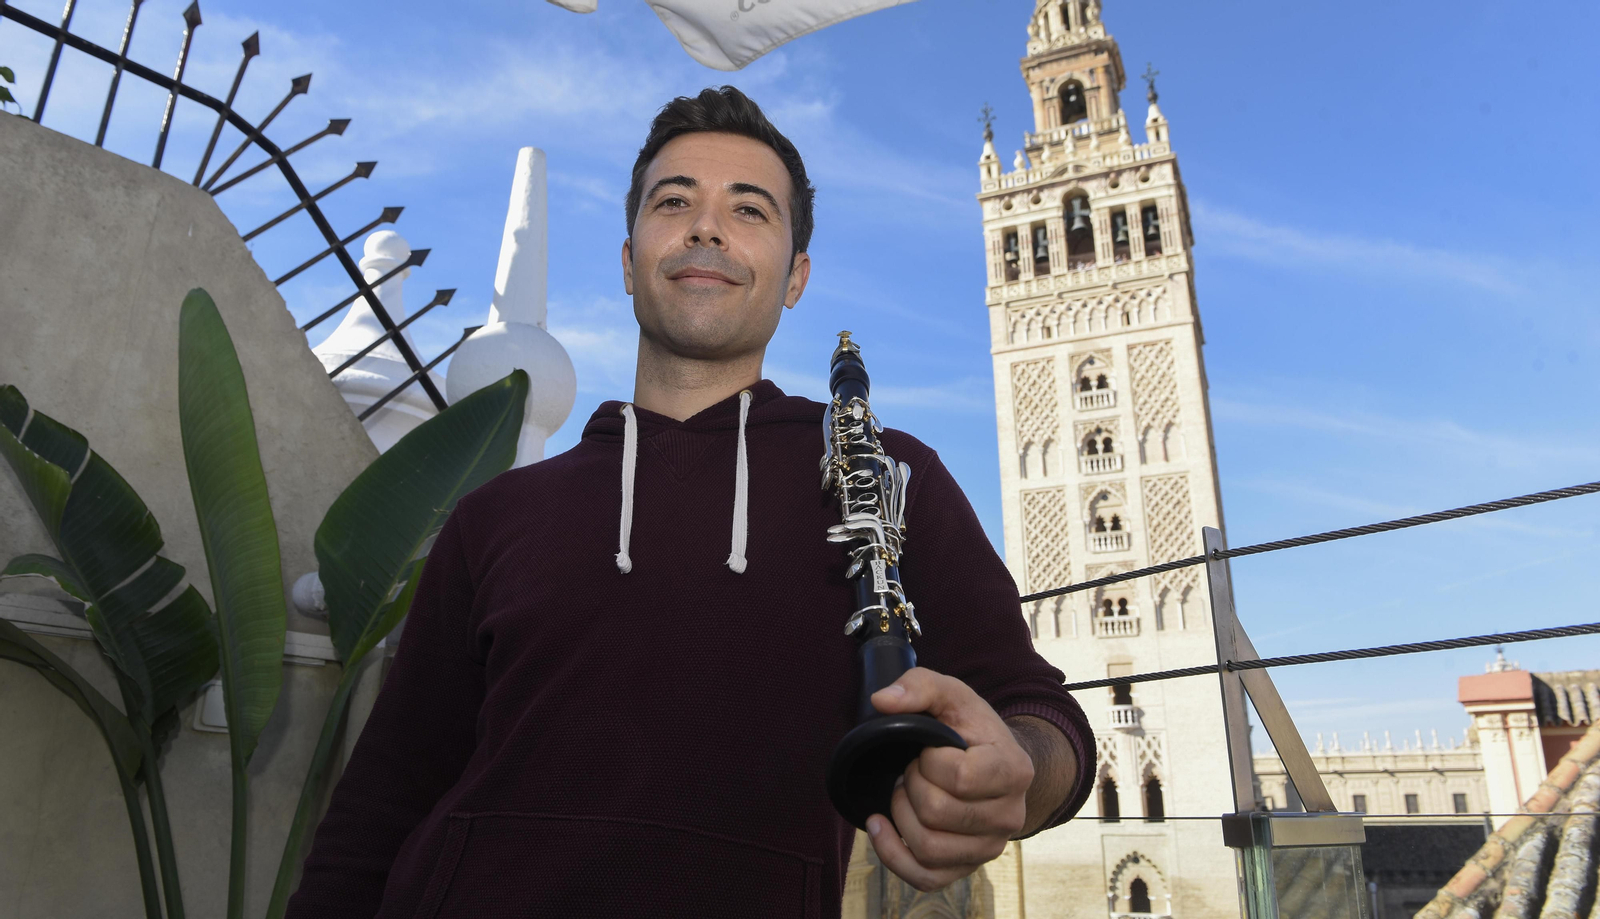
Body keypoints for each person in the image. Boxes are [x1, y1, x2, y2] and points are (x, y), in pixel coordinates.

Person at [286, 85, 1092, 919]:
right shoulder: (494, 515)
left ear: (795, 278)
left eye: (750, 211)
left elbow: (1040, 713)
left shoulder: (890, 474)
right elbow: (379, 806)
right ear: (630, 261)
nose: (706, 226)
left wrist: (1022, 774)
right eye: (674, 201)